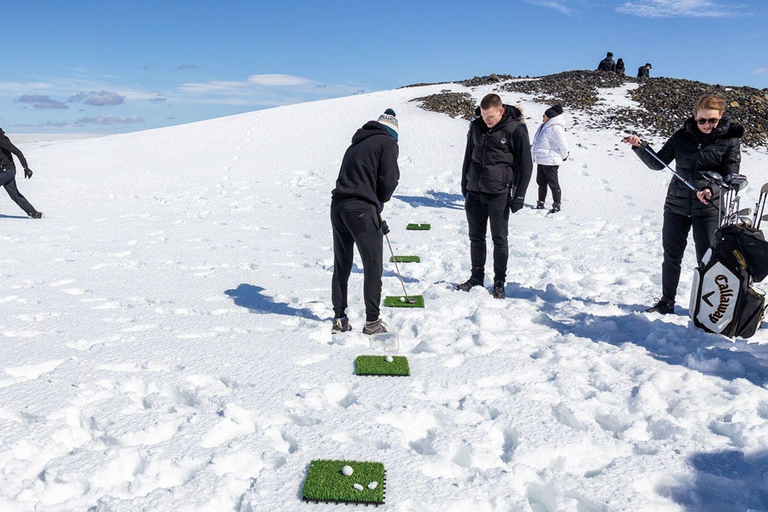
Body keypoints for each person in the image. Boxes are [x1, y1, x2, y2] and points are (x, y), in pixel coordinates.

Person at [622, 94, 743, 314]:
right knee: (671, 255)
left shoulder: (730, 141)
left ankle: (709, 308)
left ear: (721, 117)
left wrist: (710, 190)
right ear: (695, 117)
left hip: (708, 208)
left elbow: (730, 175)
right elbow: (658, 164)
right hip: (676, 205)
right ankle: (666, 302)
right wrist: (640, 146)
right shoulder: (681, 137)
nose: (707, 125)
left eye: (712, 120)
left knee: (707, 258)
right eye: (702, 120)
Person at [330, 109, 400, 334]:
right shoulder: (387, 143)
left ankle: (339, 319)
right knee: (372, 266)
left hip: (338, 207)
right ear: (393, 132)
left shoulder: (356, 144)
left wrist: (374, 209)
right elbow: (389, 180)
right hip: (361, 209)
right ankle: (372, 322)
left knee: (342, 265)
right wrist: (377, 204)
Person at [458, 93, 532, 299]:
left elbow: (526, 165)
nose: (486, 120)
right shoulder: (476, 127)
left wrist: (519, 196)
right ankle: (476, 277)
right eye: (483, 116)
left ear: (500, 111)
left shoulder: (515, 130)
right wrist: (465, 184)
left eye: (490, 116)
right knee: (476, 237)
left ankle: (499, 282)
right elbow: (468, 156)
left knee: (499, 239)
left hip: (499, 193)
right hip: (475, 192)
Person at [532, 105, 569, 214]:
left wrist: (564, 155)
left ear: (549, 117)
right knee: (541, 182)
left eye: (545, 115)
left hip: (551, 160)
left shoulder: (555, 128)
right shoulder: (543, 126)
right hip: (541, 159)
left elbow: (563, 144)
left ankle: (557, 204)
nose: (542, 116)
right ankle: (540, 203)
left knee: (553, 183)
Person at [0, 128, 42, 219]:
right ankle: (34, 213)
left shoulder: (2, 139)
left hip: (7, 171)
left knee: (15, 194)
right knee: (15, 195)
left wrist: (25, 167)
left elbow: (17, 152)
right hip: (6, 171)